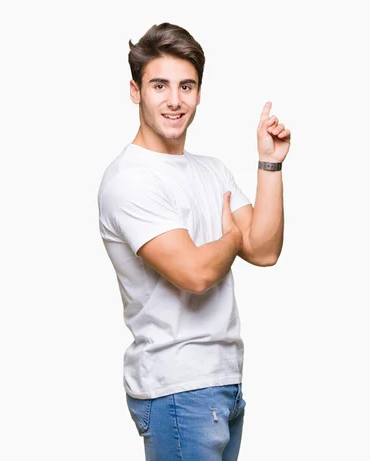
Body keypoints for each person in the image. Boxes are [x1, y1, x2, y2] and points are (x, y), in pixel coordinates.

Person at [97, 22, 290, 461]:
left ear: (199, 93)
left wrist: (269, 164)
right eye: (159, 85)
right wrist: (232, 236)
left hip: (222, 382)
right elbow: (197, 273)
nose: (174, 100)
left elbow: (263, 249)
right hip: (177, 389)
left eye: (187, 86)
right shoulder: (131, 180)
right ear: (135, 90)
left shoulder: (211, 170)